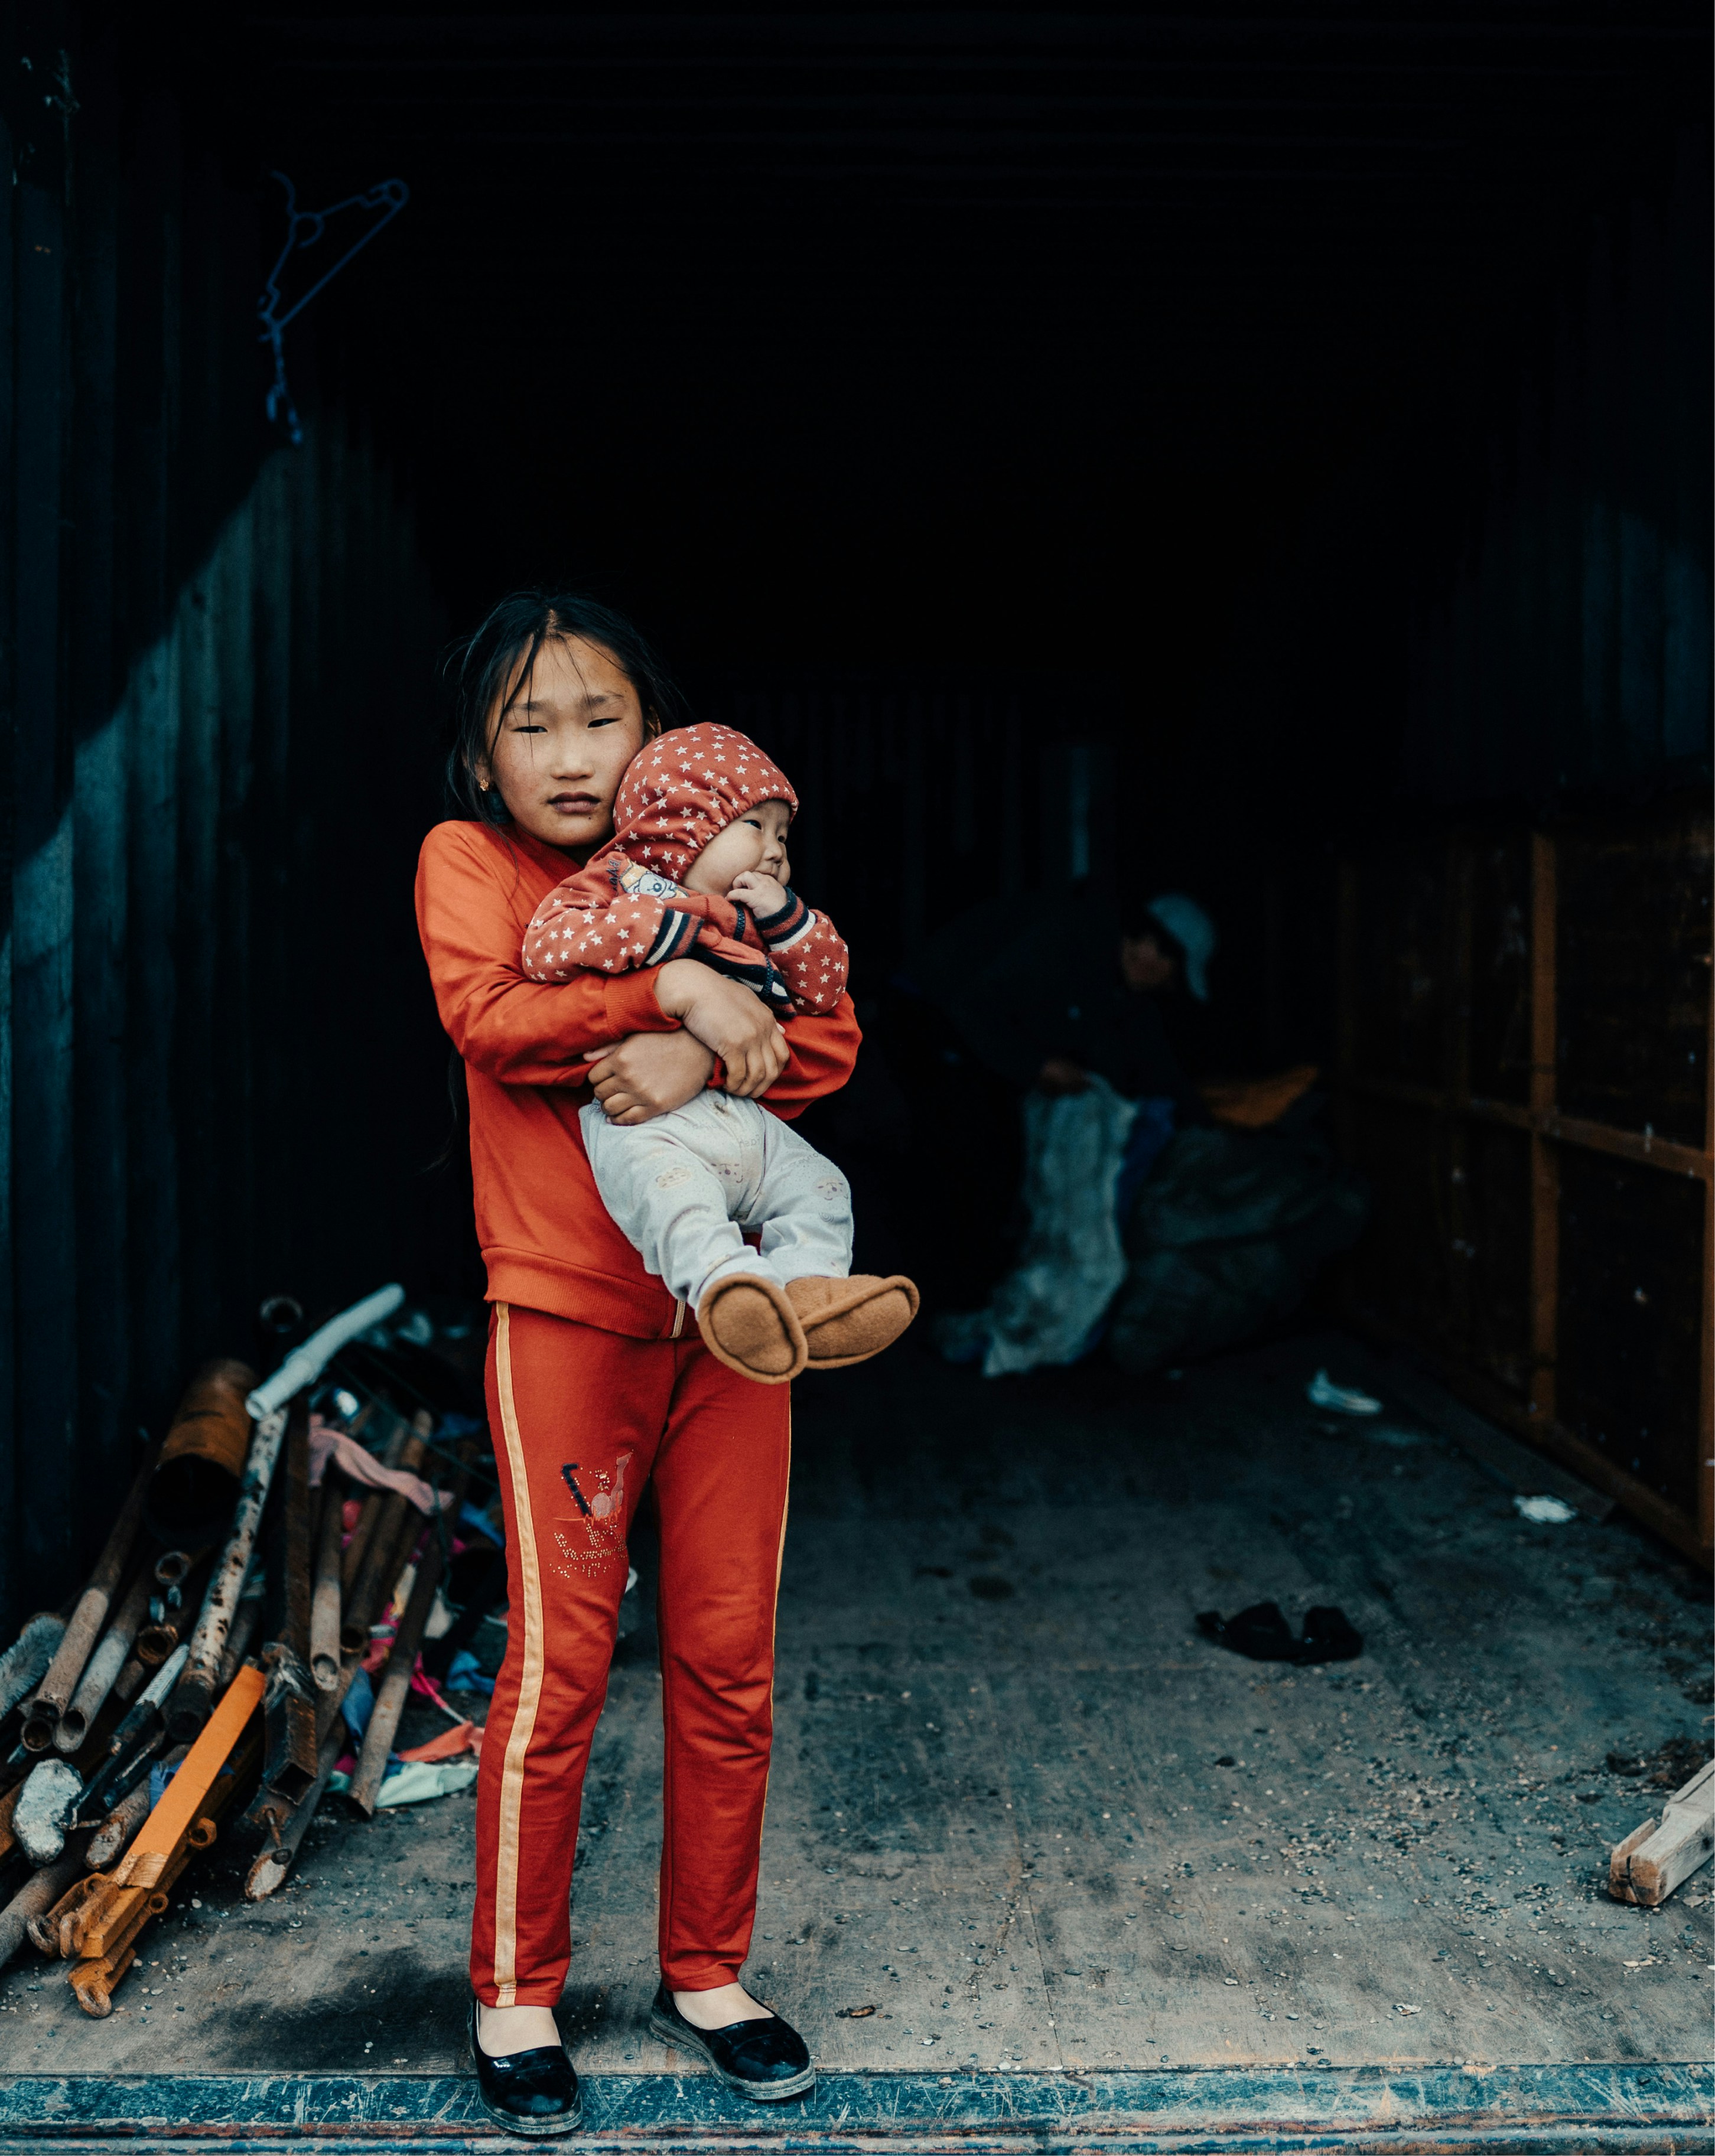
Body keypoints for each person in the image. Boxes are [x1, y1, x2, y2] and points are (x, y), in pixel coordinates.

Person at [415, 592, 859, 2134]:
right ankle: (516, 1991)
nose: (567, 753)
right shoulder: (470, 863)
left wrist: (697, 1045)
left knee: (729, 1655)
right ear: (479, 755)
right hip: (567, 1320)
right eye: (527, 724)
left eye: (598, 718)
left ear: (653, 735)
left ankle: (707, 1974)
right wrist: (672, 992)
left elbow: (825, 1039)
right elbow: (491, 1018)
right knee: (560, 1665)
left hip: (731, 1324)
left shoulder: (720, 860)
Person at [519, 721, 917, 1383]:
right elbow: (545, 947)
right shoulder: (618, 884)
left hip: (744, 1121)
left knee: (822, 1186)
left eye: (782, 836)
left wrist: (789, 921)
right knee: (682, 1206)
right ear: (678, 826)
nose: (773, 850)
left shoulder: (764, 923)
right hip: (650, 1126)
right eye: (753, 826)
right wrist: (668, 939)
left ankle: (808, 1293)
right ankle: (730, 1290)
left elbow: (823, 992)